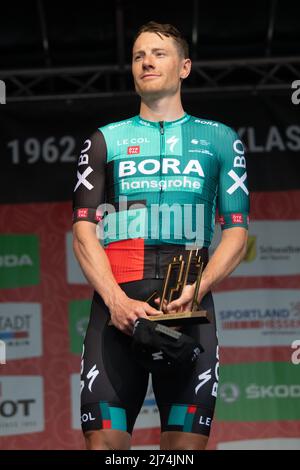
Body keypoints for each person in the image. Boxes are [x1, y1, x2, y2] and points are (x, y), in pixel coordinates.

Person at [72, 21, 249, 450]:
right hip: (115, 313)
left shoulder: (222, 139)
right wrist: (115, 301)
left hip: (189, 308)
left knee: (183, 453)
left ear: (185, 66)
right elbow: (82, 231)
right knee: (105, 448)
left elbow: (237, 234)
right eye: (138, 56)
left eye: (159, 53)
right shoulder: (103, 141)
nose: (147, 61)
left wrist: (198, 287)